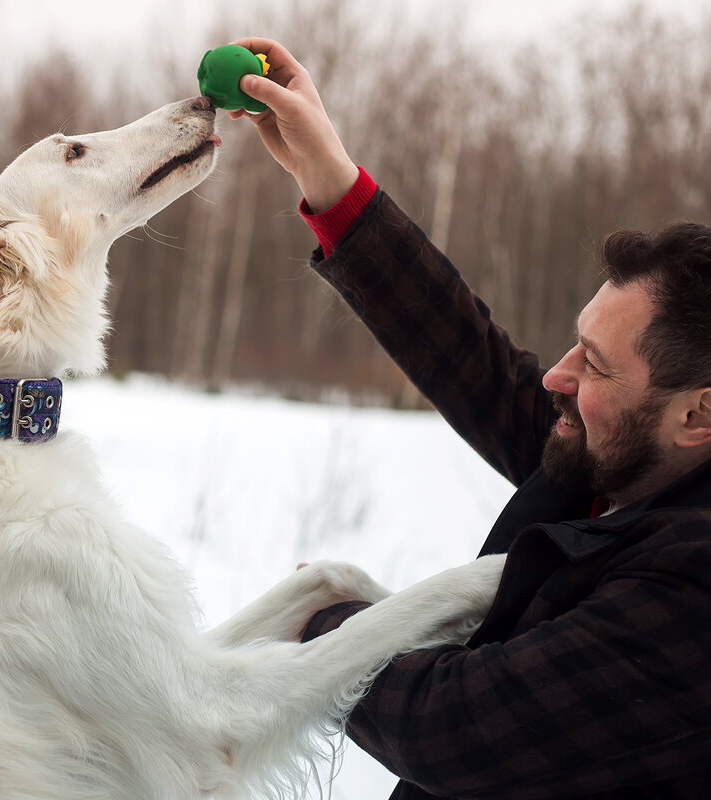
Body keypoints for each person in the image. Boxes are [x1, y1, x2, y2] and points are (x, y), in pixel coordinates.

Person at [228, 37, 711, 799]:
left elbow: (454, 728)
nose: (557, 374)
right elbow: (472, 360)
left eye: (596, 363)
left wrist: (321, 627)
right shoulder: (623, 455)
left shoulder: (693, 585)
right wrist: (331, 181)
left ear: (698, 415)